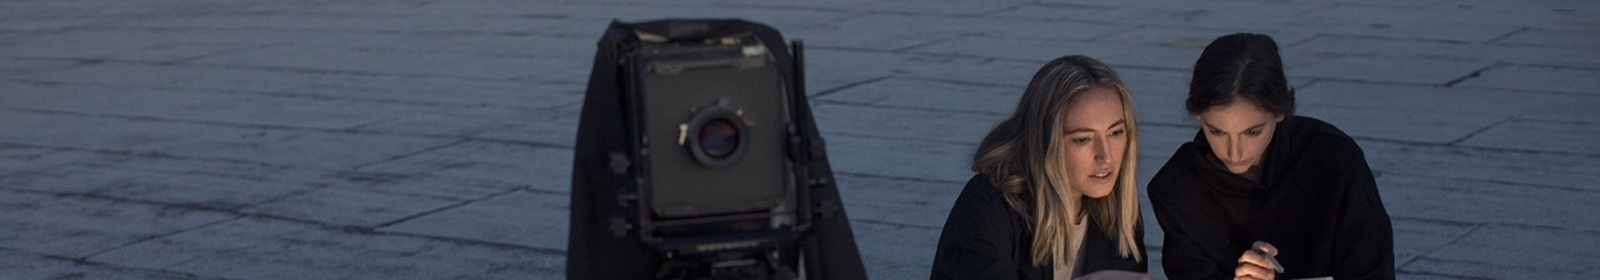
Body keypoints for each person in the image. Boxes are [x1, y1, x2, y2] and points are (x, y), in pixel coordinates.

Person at [1147, 33, 1395, 280]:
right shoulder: (1177, 188)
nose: (1234, 152)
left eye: (1253, 132)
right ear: (1198, 116)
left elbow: (1373, 269)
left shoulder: (1332, 160)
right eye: (1217, 132)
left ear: (1280, 112)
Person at [931, 55, 1149, 280]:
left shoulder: (1118, 205)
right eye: (1083, 139)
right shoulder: (989, 207)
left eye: (1115, 133)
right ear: (1045, 141)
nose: (1106, 156)